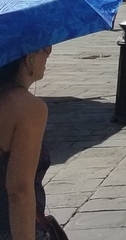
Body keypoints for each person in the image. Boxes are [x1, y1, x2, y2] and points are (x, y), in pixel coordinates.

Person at [0, 43, 53, 240]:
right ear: (29, 58)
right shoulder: (28, 108)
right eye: (45, 47)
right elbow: (18, 190)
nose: (49, 52)